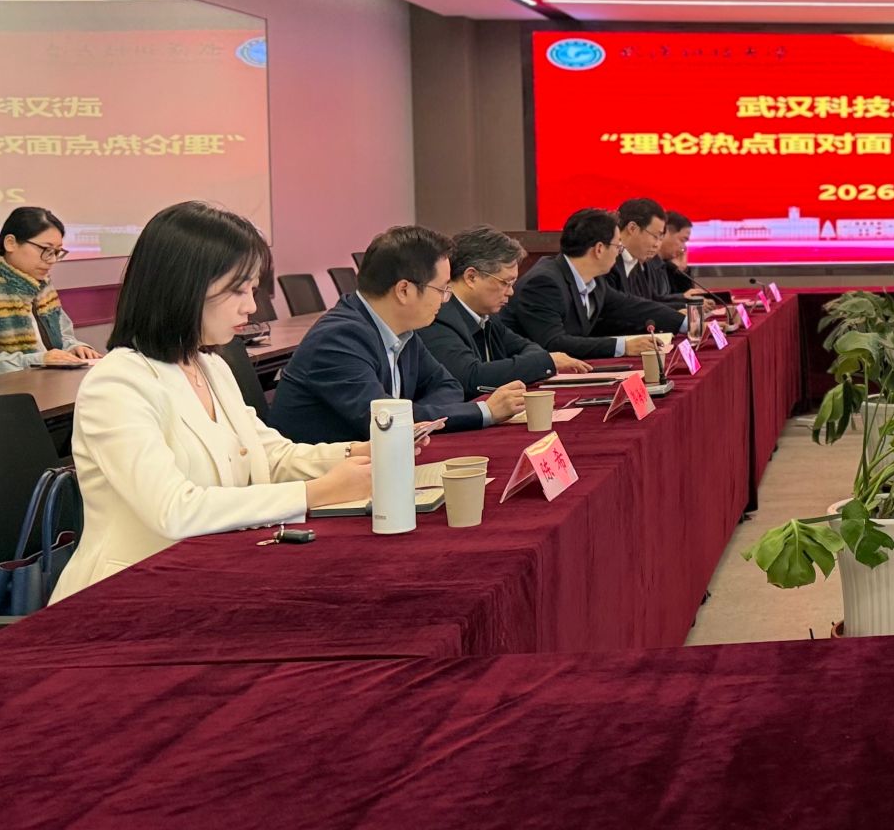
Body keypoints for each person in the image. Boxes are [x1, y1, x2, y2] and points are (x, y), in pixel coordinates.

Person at [50, 202, 375, 603]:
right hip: (126, 593)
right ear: (183, 286)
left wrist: (357, 452)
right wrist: (314, 493)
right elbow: (173, 509)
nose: (251, 306)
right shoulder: (116, 383)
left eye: (252, 289)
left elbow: (271, 457)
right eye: (238, 289)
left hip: (208, 576)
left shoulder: (211, 366)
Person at [269, 226, 526, 443]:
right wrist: (484, 411)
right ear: (404, 290)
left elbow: (448, 386)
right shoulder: (339, 340)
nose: (444, 300)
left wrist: (415, 415)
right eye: (441, 290)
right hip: (328, 478)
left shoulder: (404, 330)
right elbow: (386, 422)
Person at [417, 226, 591, 399]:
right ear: (471, 277)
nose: (511, 292)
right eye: (505, 283)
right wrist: (546, 362)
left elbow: (528, 348)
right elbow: (470, 378)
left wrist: (539, 361)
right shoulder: (438, 316)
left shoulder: (488, 315)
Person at [501, 207, 681, 360]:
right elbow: (554, 343)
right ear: (599, 249)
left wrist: (686, 322)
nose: (619, 253)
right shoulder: (544, 283)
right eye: (618, 246)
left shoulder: (594, 281)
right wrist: (623, 346)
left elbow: (632, 306)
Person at [0, 206, 101, 372]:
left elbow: (63, 336)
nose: (52, 260)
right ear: (10, 243)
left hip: (47, 381)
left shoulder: (43, 287)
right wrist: (37, 360)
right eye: (46, 250)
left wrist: (74, 348)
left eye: (57, 252)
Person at [604, 197, 681, 303]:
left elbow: (649, 302)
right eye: (655, 236)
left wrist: (686, 306)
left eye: (660, 238)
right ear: (632, 228)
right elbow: (620, 307)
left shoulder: (635, 261)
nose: (657, 245)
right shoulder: (607, 260)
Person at [654, 211, 709, 298]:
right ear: (665, 233)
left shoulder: (666, 265)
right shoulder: (647, 263)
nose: (684, 247)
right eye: (682, 240)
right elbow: (657, 300)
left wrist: (681, 271)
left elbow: (689, 298)